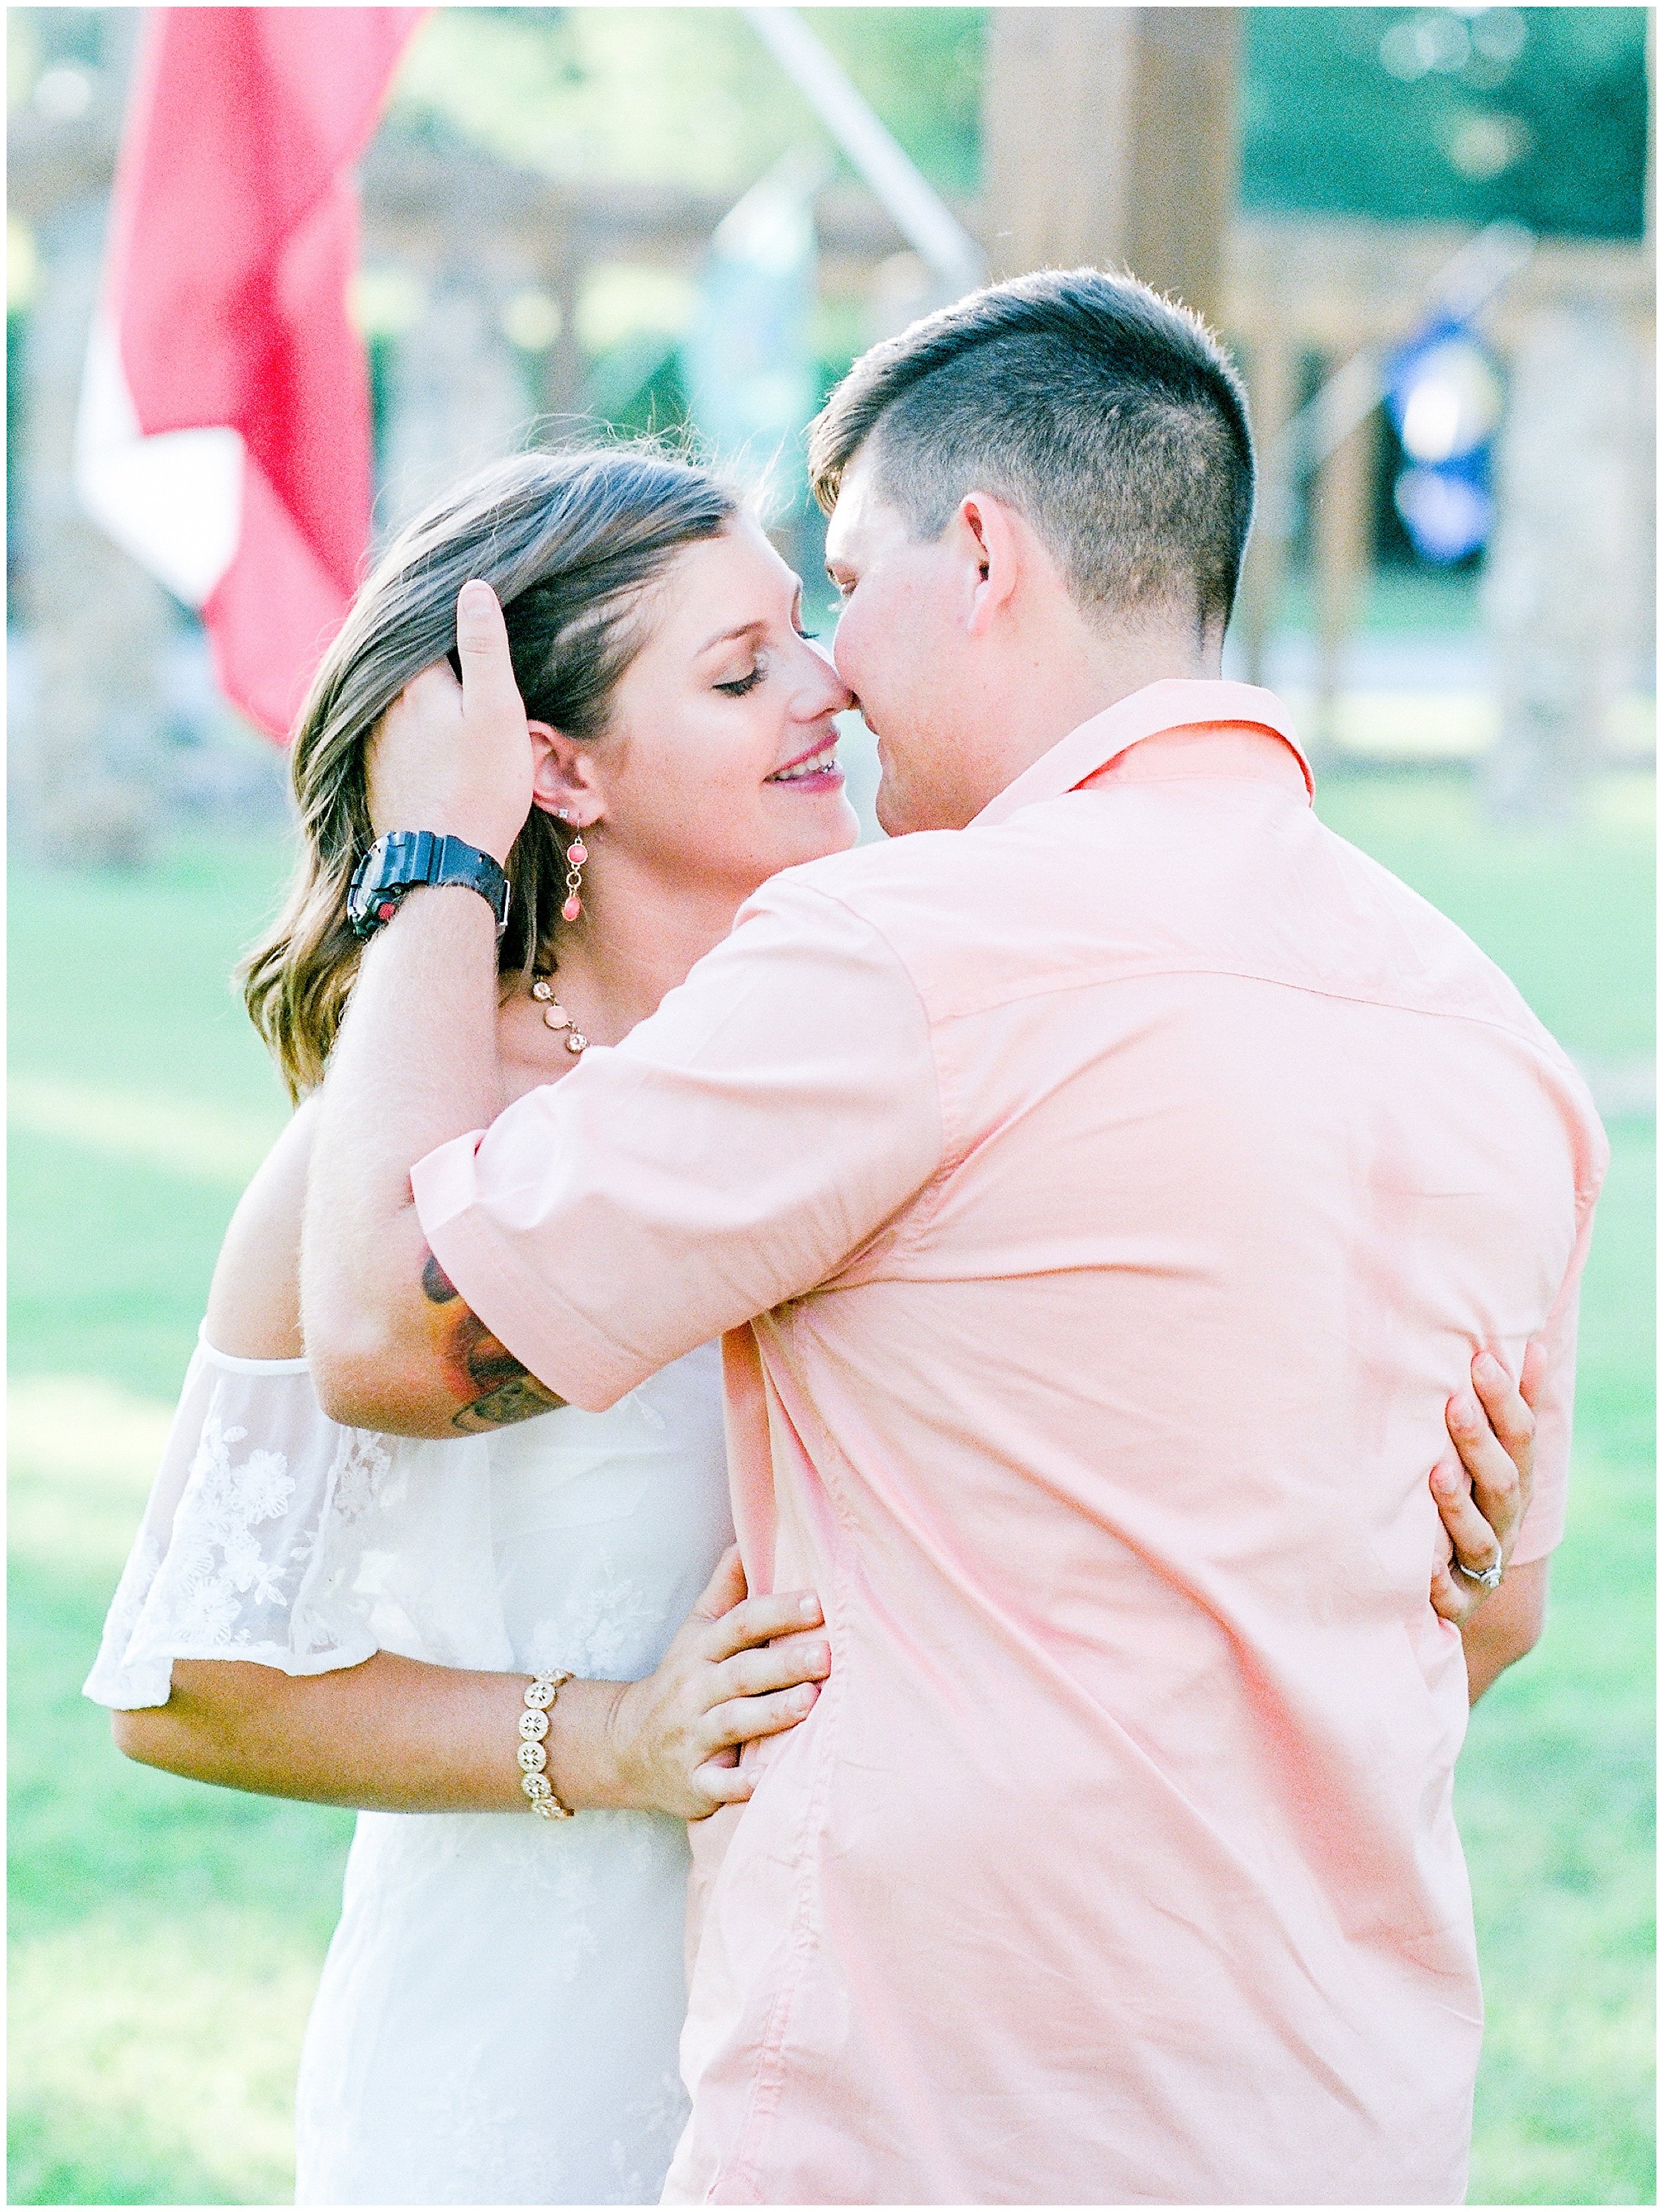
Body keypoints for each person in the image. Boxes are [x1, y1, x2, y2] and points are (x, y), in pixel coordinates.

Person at [301, 271, 1606, 2205]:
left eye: (847, 577)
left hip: (933, 2125)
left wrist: (432, 862)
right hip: (1340, 2124)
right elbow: (1481, 1617)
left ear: (978, 555)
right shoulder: (1491, 1037)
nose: (829, 661)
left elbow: (391, 1343)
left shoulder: (902, 958)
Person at [86, 448, 853, 2205]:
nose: (830, 689)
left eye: (802, 633)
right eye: (741, 673)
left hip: (879, 2058)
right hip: (532, 2076)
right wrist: (610, 1739)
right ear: (555, 768)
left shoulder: (849, 1055)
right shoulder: (388, 1163)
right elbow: (190, 1682)